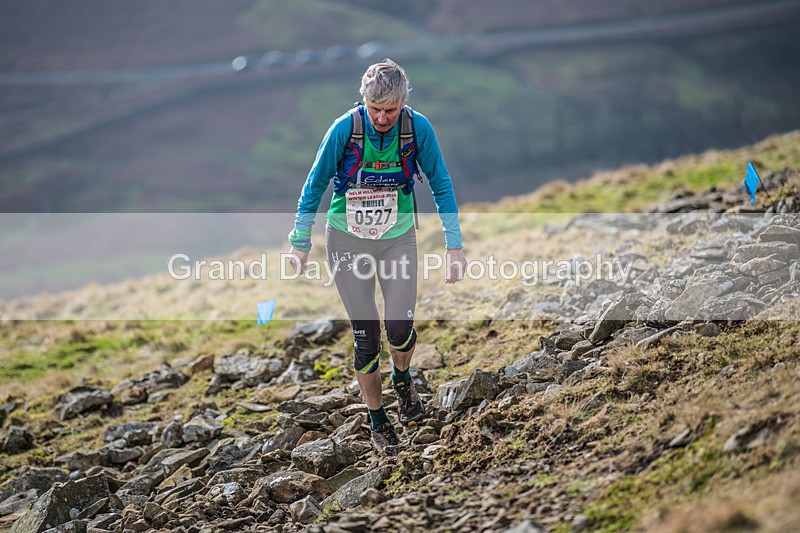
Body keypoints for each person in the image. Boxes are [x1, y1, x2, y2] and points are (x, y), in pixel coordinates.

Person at [287, 59, 467, 454]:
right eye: (375, 109)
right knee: (366, 339)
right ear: (363, 101)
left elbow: (441, 183)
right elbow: (314, 185)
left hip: (397, 239)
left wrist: (454, 245)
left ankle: (402, 379)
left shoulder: (417, 128)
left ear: (404, 103)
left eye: (391, 110)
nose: (383, 118)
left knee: (399, 329)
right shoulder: (344, 129)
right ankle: (377, 419)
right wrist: (300, 241)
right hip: (347, 241)